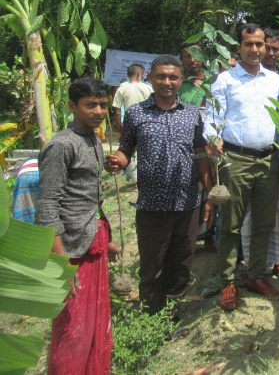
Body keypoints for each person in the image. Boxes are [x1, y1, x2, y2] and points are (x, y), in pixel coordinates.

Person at [106, 55, 213, 314]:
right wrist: (117, 161)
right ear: (150, 78)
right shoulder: (136, 113)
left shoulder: (191, 115)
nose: (167, 82)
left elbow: (200, 155)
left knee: (181, 262)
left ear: (180, 80)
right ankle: (151, 315)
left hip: (186, 203)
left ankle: (172, 312)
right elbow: (126, 148)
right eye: (161, 77)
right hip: (151, 205)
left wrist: (209, 195)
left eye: (173, 77)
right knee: (152, 265)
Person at [38, 77, 120, 374]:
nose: (98, 111)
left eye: (102, 104)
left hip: (91, 243)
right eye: (90, 105)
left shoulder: (93, 139)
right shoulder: (61, 146)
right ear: (73, 106)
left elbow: (89, 198)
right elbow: (47, 207)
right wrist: (62, 265)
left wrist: (105, 239)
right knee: (73, 329)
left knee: (96, 324)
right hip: (70, 251)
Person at [206, 24, 279, 308]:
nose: (255, 50)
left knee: (265, 222)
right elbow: (213, 115)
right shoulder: (225, 80)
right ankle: (228, 282)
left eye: (260, 44)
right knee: (231, 223)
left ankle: (256, 274)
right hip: (236, 158)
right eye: (249, 44)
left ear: (266, 47)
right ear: (238, 48)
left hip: (269, 159)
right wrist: (213, 136)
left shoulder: (275, 81)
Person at [238, 27, 279, 283]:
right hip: (248, 157)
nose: (268, 52)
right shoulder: (237, 77)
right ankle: (250, 262)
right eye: (265, 47)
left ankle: (278, 259)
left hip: (278, 158)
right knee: (251, 215)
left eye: (274, 48)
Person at [112, 63, 151, 182]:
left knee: (128, 149)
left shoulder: (122, 88)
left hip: (129, 123)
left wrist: (119, 127)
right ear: (140, 74)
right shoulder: (148, 88)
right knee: (146, 150)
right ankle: (145, 176)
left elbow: (117, 110)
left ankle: (133, 178)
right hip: (147, 123)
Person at [178, 43, 206, 108]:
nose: (192, 60)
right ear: (181, 59)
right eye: (188, 56)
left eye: (195, 55)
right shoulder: (176, 84)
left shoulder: (215, 81)